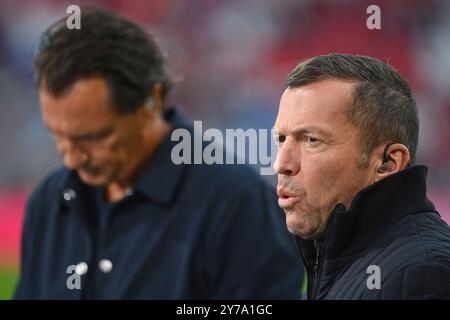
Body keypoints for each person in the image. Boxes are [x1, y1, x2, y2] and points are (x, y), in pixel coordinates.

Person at [14, 7, 303, 299]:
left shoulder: (238, 204)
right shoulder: (51, 199)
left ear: (151, 102)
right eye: (59, 137)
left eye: (96, 137)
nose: (73, 158)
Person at [273, 53, 450, 299]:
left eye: (311, 140)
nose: (281, 164)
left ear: (387, 164)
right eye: (281, 139)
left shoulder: (425, 276)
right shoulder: (334, 260)